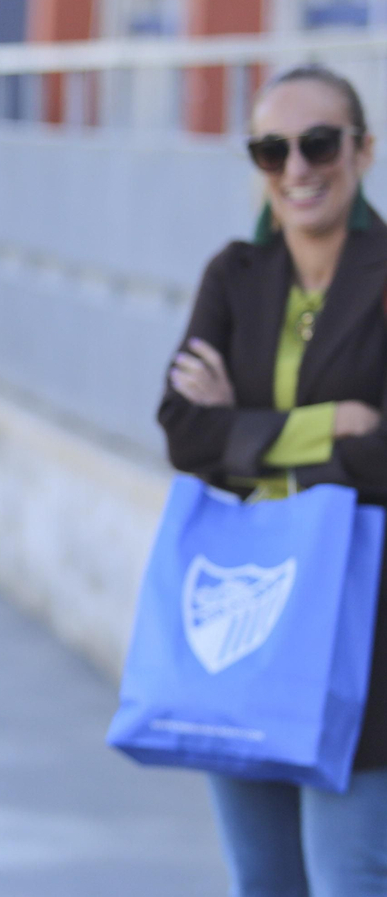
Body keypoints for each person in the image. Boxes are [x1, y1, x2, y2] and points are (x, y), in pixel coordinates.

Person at [160, 63, 387, 896]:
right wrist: (335, 424)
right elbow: (184, 430)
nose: (297, 167)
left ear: (362, 150)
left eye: (319, 143)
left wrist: (243, 432)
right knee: (263, 881)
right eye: (271, 147)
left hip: (366, 627)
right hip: (250, 612)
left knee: (349, 876)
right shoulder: (235, 274)